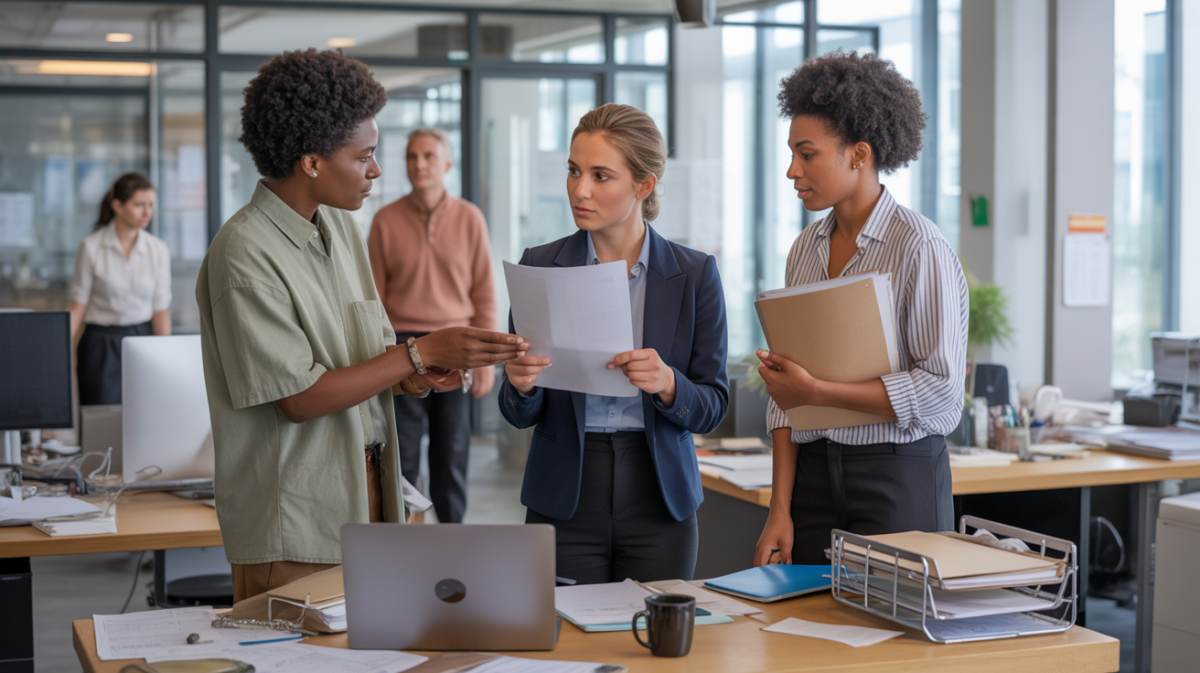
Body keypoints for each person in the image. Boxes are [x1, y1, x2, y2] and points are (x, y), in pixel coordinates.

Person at [196, 49, 529, 602]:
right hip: (295, 522)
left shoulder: (342, 229)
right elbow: (298, 398)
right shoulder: (244, 253)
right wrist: (417, 354)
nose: (377, 170)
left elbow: (368, 357)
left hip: (371, 496)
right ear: (312, 162)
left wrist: (420, 374)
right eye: (365, 156)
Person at [753, 51, 969, 566]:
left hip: (897, 476)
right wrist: (778, 508)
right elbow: (786, 396)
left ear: (859, 154)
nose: (792, 170)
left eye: (807, 155)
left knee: (893, 640)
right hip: (812, 480)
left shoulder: (920, 247)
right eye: (791, 154)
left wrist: (818, 391)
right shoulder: (804, 250)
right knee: (806, 633)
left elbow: (941, 392)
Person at [499, 103, 729, 585]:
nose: (579, 190)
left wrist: (668, 384)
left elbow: (712, 406)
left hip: (659, 497)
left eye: (601, 176)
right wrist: (520, 386)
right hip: (564, 494)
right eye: (574, 171)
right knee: (565, 655)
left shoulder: (693, 274)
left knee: (657, 653)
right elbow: (519, 413)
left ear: (643, 186)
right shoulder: (539, 264)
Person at [368, 127, 496, 523]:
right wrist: (378, 361)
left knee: (452, 454)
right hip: (402, 347)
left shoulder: (470, 218)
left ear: (447, 164)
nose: (419, 164)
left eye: (427, 156)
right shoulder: (386, 220)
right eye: (411, 156)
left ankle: (454, 545)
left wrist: (486, 361)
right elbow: (373, 300)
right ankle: (403, 545)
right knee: (401, 456)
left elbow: (484, 293)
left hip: (456, 345)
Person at [68, 172, 171, 406]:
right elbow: (78, 305)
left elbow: (160, 308)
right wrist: (59, 349)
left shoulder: (158, 250)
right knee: (100, 418)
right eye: (138, 205)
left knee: (143, 414)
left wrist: (165, 355)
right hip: (100, 344)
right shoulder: (91, 247)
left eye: (150, 205)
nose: (147, 213)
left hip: (142, 340)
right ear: (117, 205)